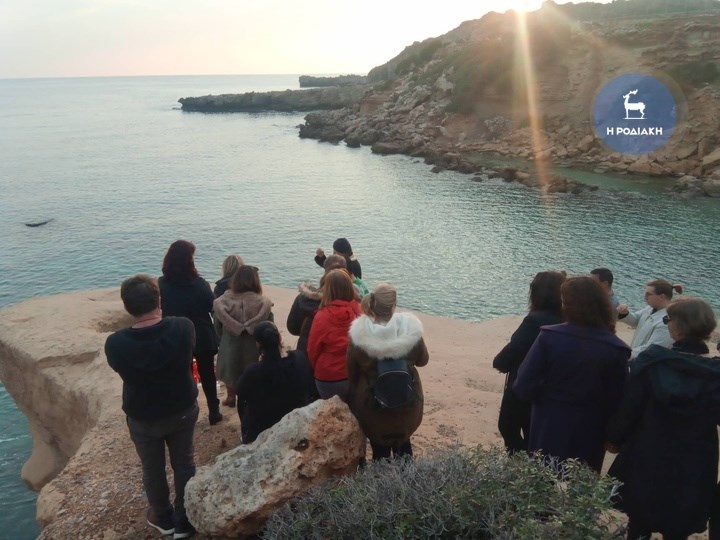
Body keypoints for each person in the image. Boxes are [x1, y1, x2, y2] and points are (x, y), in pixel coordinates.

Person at [606, 298, 720, 540]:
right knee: (679, 523)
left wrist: (614, 439)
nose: (666, 324)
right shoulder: (714, 374)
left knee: (639, 520)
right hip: (696, 456)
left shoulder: (652, 363)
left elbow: (630, 408)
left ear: (678, 327)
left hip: (649, 448)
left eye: (668, 319)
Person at [105, 275, 197, 539]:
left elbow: (120, 368)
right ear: (158, 300)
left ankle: (163, 517)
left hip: (143, 415)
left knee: (152, 468)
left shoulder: (116, 343)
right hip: (181, 407)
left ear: (127, 307)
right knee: (184, 463)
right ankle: (185, 519)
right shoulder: (183, 327)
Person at [513, 276, 630, 472]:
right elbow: (617, 399)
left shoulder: (550, 337)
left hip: (548, 421)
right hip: (591, 428)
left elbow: (523, 385)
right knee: (580, 482)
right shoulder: (616, 348)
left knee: (542, 478)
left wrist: (543, 398)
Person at [347, 283, 429, 461]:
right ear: (394, 305)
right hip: (408, 404)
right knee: (404, 447)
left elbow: (352, 373)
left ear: (373, 303)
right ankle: (407, 474)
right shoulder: (410, 330)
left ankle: (381, 474)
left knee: (379, 450)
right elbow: (423, 360)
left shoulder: (360, 335)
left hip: (373, 407)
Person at [493, 271, 565, 454]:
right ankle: (532, 463)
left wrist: (500, 363)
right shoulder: (566, 319)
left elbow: (515, 349)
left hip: (523, 384)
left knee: (508, 426)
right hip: (551, 388)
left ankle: (520, 464)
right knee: (534, 432)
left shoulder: (535, 320)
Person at [159, 240, 222, 426]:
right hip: (202, 335)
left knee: (184, 375)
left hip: (175, 335)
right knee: (207, 374)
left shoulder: (162, 285)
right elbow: (212, 307)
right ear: (189, 261)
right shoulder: (200, 285)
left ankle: (189, 411)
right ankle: (214, 412)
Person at [234, 321, 315, 444]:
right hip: (296, 419)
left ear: (258, 344)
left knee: (242, 400)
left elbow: (240, 391)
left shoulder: (254, 371)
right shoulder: (299, 358)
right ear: (279, 338)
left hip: (262, 427)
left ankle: (247, 435)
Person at [213, 265, 273, 408]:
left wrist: (226, 336)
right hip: (254, 347)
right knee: (252, 374)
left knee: (230, 371)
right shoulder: (263, 303)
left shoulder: (222, 302)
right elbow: (270, 326)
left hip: (229, 345)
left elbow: (217, 327)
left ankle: (231, 397)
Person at [307, 269, 361, 400]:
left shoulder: (322, 316)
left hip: (328, 375)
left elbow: (312, 349)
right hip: (353, 371)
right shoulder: (358, 310)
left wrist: (316, 367)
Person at [286, 254, 347, 353]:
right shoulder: (351, 305)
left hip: (305, 350)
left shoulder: (302, 299)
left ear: (325, 270)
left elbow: (292, 327)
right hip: (337, 356)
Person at [618, 279, 683, 359]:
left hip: (644, 362)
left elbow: (651, 350)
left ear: (661, 297)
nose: (645, 297)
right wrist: (625, 314)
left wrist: (624, 354)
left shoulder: (666, 322)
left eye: (648, 294)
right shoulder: (650, 308)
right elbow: (636, 320)